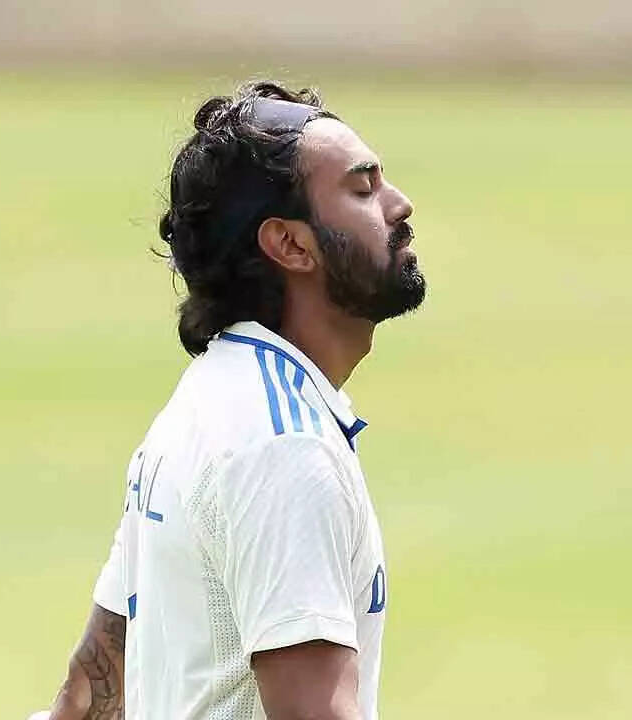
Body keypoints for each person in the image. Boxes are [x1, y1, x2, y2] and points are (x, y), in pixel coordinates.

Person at [36, 79, 425, 720]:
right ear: (290, 245)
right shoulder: (286, 444)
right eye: (362, 189)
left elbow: (92, 691)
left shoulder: (208, 397)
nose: (399, 204)